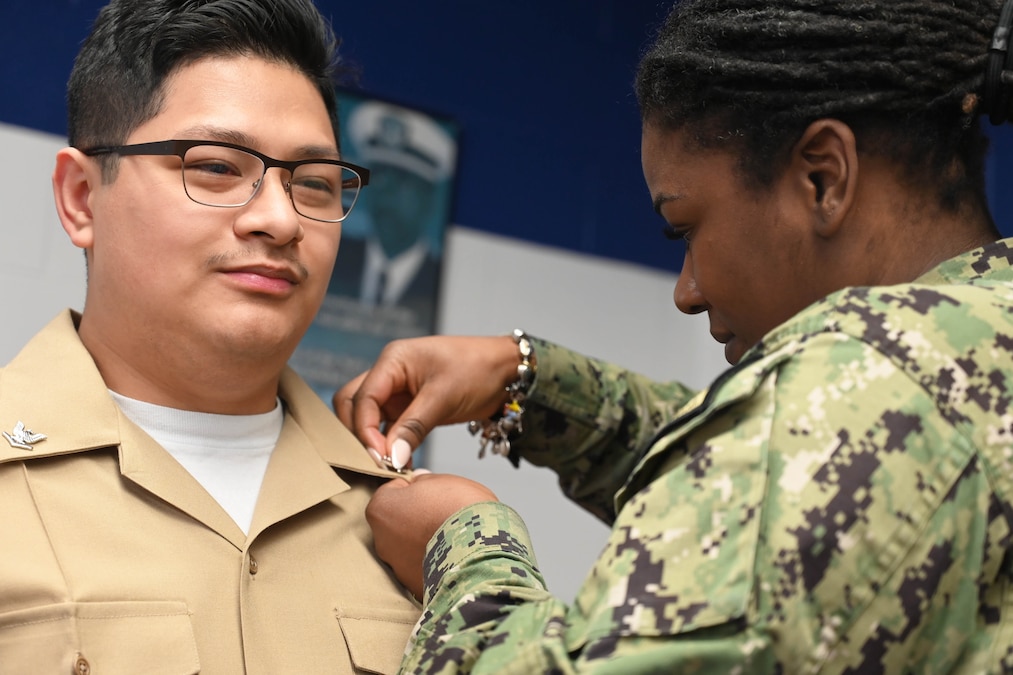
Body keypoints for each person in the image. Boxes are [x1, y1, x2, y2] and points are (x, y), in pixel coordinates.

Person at [336, 0, 1013, 672]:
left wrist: (463, 541)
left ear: (822, 176)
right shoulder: (971, 346)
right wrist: (524, 381)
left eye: (683, 228)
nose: (686, 291)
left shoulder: (872, 381)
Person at [0, 1, 421, 673]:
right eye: (218, 168)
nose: (281, 220)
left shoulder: (405, 521)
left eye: (313, 183)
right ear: (82, 197)